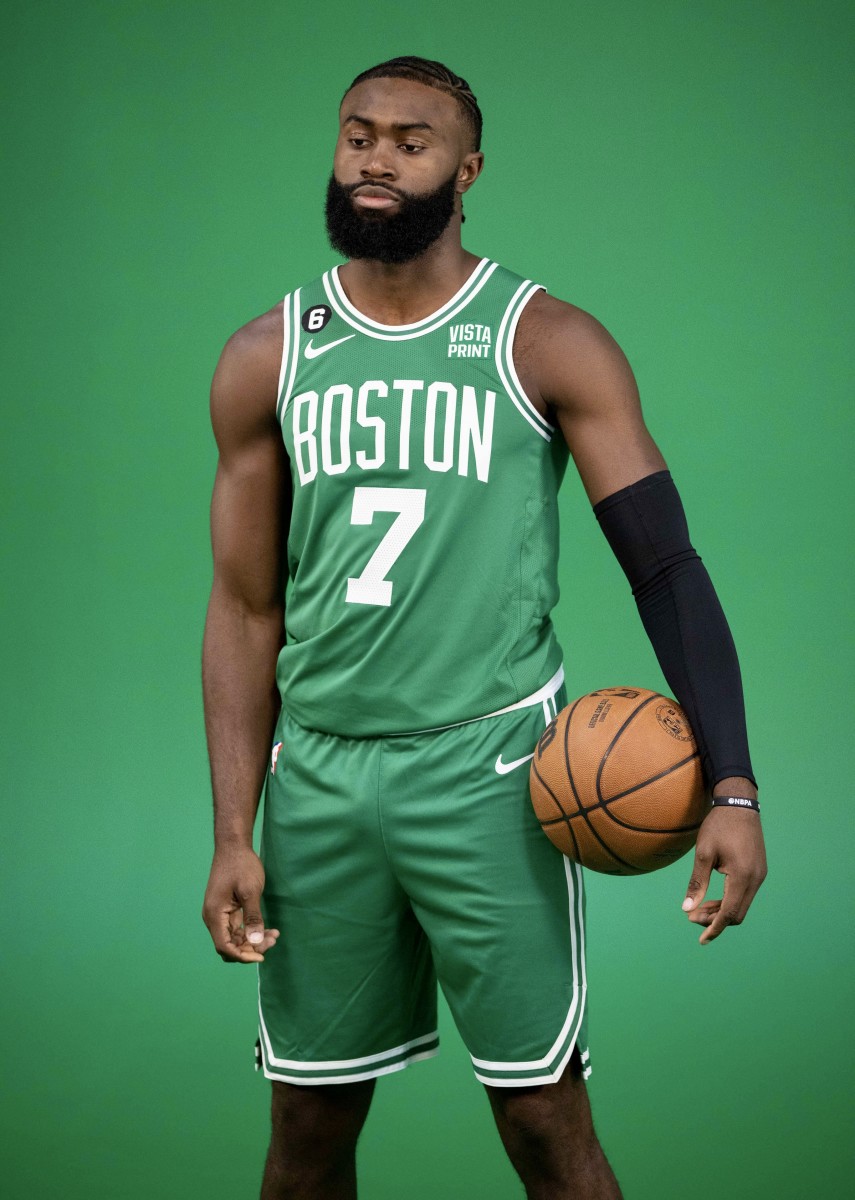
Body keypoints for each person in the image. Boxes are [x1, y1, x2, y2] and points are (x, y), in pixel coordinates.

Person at [201, 55, 768, 1200]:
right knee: (305, 1137)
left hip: (490, 771)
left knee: (543, 1126)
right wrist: (231, 827)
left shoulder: (545, 339)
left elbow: (665, 569)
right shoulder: (271, 353)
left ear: (467, 171)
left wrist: (736, 788)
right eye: (357, 133)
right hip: (316, 778)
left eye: (411, 141)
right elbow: (247, 607)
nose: (376, 157)